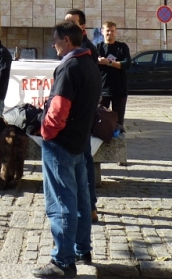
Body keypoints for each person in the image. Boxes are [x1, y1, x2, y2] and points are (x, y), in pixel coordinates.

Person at [34, 21, 102, 279]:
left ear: (66, 40)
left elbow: (59, 108)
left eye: (55, 40)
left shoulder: (71, 67)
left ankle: (62, 261)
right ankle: (81, 250)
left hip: (61, 143)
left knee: (62, 201)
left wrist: (47, 133)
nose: (53, 44)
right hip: (79, 140)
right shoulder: (90, 64)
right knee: (82, 199)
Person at [64, 9, 99, 224]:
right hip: (75, 116)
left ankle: (90, 206)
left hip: (82, 115)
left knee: (85, 161)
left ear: (82, 27)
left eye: (72, 23)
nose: (67, 26)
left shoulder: (87, 49)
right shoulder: (73, 46)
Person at [97, 21, 132, 132]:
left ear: (116, 32)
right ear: (102, 32)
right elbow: (92, 63)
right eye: (107, 31)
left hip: (119, 89)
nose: (110, 33)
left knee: (118, 121)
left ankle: (118, 142)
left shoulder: (122, 47)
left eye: (112, 31)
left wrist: (108, 62)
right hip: (103, 89)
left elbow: (127, 64)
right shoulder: (98, 48)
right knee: (100, 119)